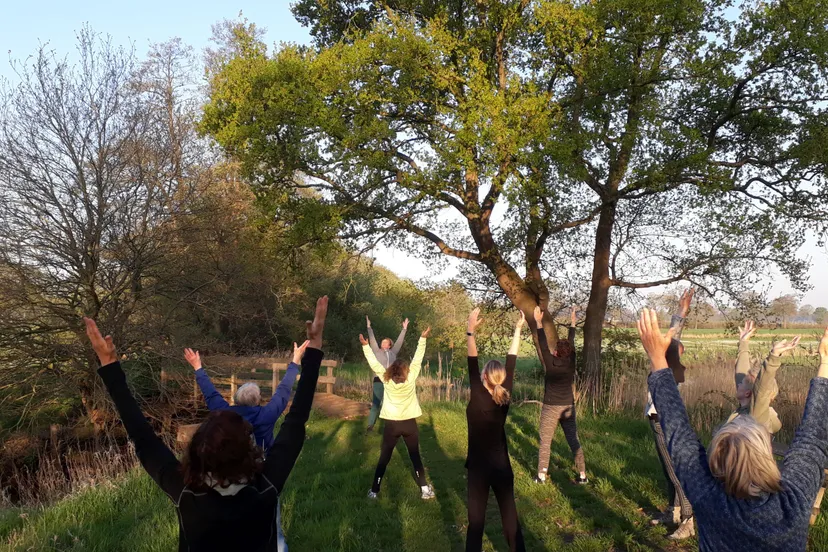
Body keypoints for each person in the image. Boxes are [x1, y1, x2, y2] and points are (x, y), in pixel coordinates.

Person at [83, 296, 328, 552]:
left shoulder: (187, 494)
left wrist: (110, 366)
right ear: (249, 450)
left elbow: (142, 436)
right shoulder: (265, 486)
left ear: (198, 451)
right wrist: (312, 349)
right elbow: (296, 417)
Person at [638, 308, 828, 552]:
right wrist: (824, 362)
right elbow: (812, 442)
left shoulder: (710, 500)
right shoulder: (793, 502)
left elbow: (679, 438)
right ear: (766, 455)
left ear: (716, 464)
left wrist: (656, 358)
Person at [465, 307, 526, 552]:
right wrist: (518, 329)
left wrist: (470, 330)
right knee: (510, 516)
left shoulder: (478, 394)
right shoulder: (505, 395)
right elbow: (512, 360)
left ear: (484, 377)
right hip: (502, 466)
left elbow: (472, 359)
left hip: (479, 469)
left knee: (476, 521)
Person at [360, 325, 435, 499]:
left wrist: (365, 346)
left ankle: (374, 491)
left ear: (392, 370)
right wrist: (422, 339)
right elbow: (417, 359)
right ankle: (424, 490)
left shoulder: (385, 379)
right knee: (415, 456)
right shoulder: (411, 377)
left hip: (392, 425)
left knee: (384, 457)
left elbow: (373, 362)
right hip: (409, 424)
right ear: (406, 370)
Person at [645, 288, 694, 539]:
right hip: (657, 420)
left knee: (675, 473)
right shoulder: (665, 365)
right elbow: (674, 335)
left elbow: (673, 339)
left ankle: (688, 519)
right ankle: (673, 511)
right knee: (668, 471)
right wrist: (681, 311)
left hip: (663, 422)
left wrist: (681, 313)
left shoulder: (667, 369)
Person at [185, 344, 302, 449]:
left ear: (236, 399)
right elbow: (284, 390)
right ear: (258, 400)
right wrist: (295, 360)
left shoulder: (224, 414)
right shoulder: (267, 414)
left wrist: (198, 367)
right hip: (263, 464)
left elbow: (210, 393)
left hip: (233, 466)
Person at [534, 305, 587, 485]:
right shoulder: (571, 362)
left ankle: (541, 475)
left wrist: (538, 323)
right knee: (573, 440)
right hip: (568, 407)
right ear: (570, 353)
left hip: (550, 408)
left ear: (556, 351)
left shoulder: (550, 362)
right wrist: (572, 323)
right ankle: (582, 475)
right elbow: (571, 342)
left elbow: (542, 343)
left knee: (545, 442)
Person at [727, 319, 799, 435]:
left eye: (741, 383)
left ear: (747, 393)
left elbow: (761, 390)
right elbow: (741, 373)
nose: (738, 382)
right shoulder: (745, 410)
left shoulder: (756, 418)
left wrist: (774, 357)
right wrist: (744, 342)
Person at [364, 316, 409, 432]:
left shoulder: (393, 353)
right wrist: (369, 327)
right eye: (382, 342)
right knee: (376, 403)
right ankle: (370, 425)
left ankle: (393, 425)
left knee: (390, 403)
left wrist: (404, 329)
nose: (383, 343)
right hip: (378, 380)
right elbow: (372, 340)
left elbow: (399, 341)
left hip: (391, 380)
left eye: (385, 342)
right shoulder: (377, 351)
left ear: (389, 345)